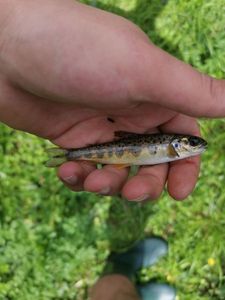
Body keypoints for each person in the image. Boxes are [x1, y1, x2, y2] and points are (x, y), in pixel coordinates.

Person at [0, 1, 224, 298]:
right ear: (179, 146)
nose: (196, 147)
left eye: (194, 145)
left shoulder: (171, 145)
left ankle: (119, 271)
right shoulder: (171, 146)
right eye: (193, 145)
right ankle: (121, 271)